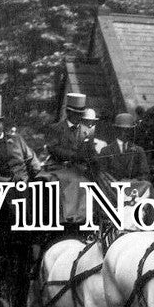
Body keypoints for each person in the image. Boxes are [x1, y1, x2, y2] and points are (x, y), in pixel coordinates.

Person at [0, 109, 42, 307]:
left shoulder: (18, 140)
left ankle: (37, 247)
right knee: (11, 205)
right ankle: (10, 253)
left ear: (2, 124)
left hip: (27, 190)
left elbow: (33, 162)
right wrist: (7, 181)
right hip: (5, 194)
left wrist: (39, 178)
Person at [42, 94, 102, 229]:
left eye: (80, 114)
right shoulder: (56, 128)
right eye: (75, 113)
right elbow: (53, 148)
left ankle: (86, 217)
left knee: (91, 181)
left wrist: (93, 159)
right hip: (58, 167)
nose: (78, 117)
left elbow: (91, 151)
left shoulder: (87, 131)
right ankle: (68, 218)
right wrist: (74, 156)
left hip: (78, 168)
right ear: (68, 112)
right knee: (74, 181)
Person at [99, 112, 150, 193]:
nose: (125, 133)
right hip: (112, 193)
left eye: (128, 130)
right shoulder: (106, 151)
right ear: (116, 130)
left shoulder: (139, 151)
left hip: (134, 193)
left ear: (132, 131)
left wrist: (132, 182)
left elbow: (144, 174)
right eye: (122, 129)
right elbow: (102, 175)